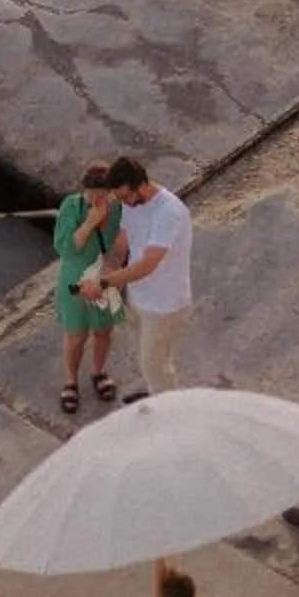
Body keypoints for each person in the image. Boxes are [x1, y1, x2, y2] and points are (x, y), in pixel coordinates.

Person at [78, 156, 191, 395]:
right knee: (147, 358)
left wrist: (104, 283)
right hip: (139, 298)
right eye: (120, 198)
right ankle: (155, 393)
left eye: (127, 196)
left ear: (141, 184)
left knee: (155, 366)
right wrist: (102, 272)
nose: (125, 203)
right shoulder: (131, 205)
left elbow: (147, 264)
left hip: (164, 305)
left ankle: (170, 414)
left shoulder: (169, 212)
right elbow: (123, 243)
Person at [53, 160, 125, 415]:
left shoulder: (117, 209)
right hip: (75, 277)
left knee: (104, 330)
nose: (96, 198)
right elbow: (64, 248)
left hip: (105, 274)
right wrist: (89, 223)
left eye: (102, 193)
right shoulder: (72, 206)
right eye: (92, 193)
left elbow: (120, 241)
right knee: (76, 334)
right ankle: (70, 382)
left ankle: (98, 371)